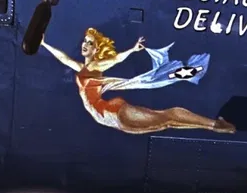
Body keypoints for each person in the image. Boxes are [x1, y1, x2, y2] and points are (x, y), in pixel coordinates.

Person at [43, 27, 234, 134]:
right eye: (85, 41)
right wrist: (44, 43)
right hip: (110, 118)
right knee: (167, 121)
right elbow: (65, 59)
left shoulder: (95, 67)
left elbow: (115, 59)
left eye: (90, 43)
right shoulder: (83, 68)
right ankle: (215, 126)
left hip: (113, 112)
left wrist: (132, 50)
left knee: (170, 116)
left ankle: (216, 125)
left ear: (96, 50)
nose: (85, 45)